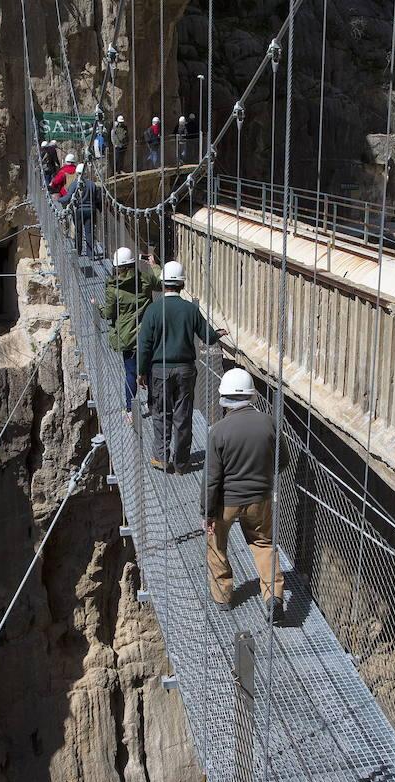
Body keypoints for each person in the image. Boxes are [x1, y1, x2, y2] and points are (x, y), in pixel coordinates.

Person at [200, 368, 290, 624]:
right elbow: (282, 461)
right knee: (263, 544)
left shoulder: (218, 430)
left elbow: (211, 479)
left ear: (225, 398)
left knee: (216, 545)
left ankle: (223, 597)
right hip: (259, 499)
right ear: (251, 395)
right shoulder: (269, 423)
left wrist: (206, 512)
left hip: (226, 502)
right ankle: (274, 596)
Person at [137, 261, 227, 473]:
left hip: (160, 370)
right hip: (186, 370)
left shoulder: (153, 310)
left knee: (161, 412)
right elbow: (208, 336)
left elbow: (144, 345)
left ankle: (161, 457)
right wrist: (218, 333)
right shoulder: (190, 309)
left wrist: (141, 371)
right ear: (182, 284)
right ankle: (181, 461)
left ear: (162, 283)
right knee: (183, 415)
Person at [103, 247, 161, 423]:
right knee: (150, 371)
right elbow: (160, 282)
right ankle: (152, 404)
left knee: (130, 372)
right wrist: (154, 265)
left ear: (117, 267)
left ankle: (129, 410)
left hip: (127, 338)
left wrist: (97, 308)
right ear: (133, 263)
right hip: (148, 335)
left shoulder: (113, 288)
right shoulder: (145, 278)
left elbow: (108, 314)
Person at [60, 163, 101, 259]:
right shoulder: (92, 184)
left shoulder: (74, 185)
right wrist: (100, 209)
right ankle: (90, 254)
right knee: (89, 232)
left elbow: (68, 198)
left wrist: (58, 200)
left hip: (78, 211)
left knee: (78, 231)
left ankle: (78, 251)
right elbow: (97, 199)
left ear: (77, 173)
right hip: (91, 210)